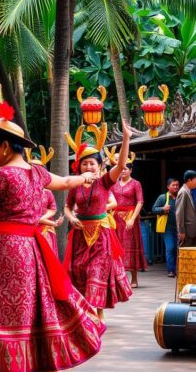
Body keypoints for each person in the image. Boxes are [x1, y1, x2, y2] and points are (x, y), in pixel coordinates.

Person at [0, 102, 104, 372]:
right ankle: (46, 365)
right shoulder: (37, 171)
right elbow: (65, 182)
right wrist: (84, 177)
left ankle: (2, 364)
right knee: (36, 304)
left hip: (1, 250)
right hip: (31, 249)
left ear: (6, 147)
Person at [64, 123, 133, 322]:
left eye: (92, 163)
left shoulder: (104, 182)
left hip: (101, 235)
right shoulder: (75, 185)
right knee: (78, 271)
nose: (88, 167)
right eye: (85, 163)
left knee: (96, 271)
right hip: (79, 235)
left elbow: (120, 166)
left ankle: (96, 316)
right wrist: (70, 217)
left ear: (100, 165)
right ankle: (91, 314)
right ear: (79, 166)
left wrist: (126, 138)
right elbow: (68, 207)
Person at [108, 148, 146, 288]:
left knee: (130, 247)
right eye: (121, 169)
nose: (123, 171)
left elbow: (140, 201)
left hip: (130, 217)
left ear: (131, 170)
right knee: (116, 248)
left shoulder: (136, 184)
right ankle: (118, 279)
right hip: (115, 217)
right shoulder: (113, 184)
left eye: (126, 169)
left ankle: (134, 278)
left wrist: (132, 219)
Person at [152, 178, 180, 277]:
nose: (176, 187)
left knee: (178, 249)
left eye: (177, 185)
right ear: (168, 187)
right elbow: (154, 209)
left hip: (179, 227)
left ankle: (178, 270)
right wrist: (163, 209)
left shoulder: (180, 197)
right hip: (167, 227)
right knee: (170, 247)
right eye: (173, 185)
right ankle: (171, 270)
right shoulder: (163, 197)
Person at [176, 170, 196, 246]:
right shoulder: (183, 192)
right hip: (186, 232)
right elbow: (179, 213)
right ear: (189, 180)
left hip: (192, 231)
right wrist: (181, 231)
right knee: (184, 255)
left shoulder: (188, 191)